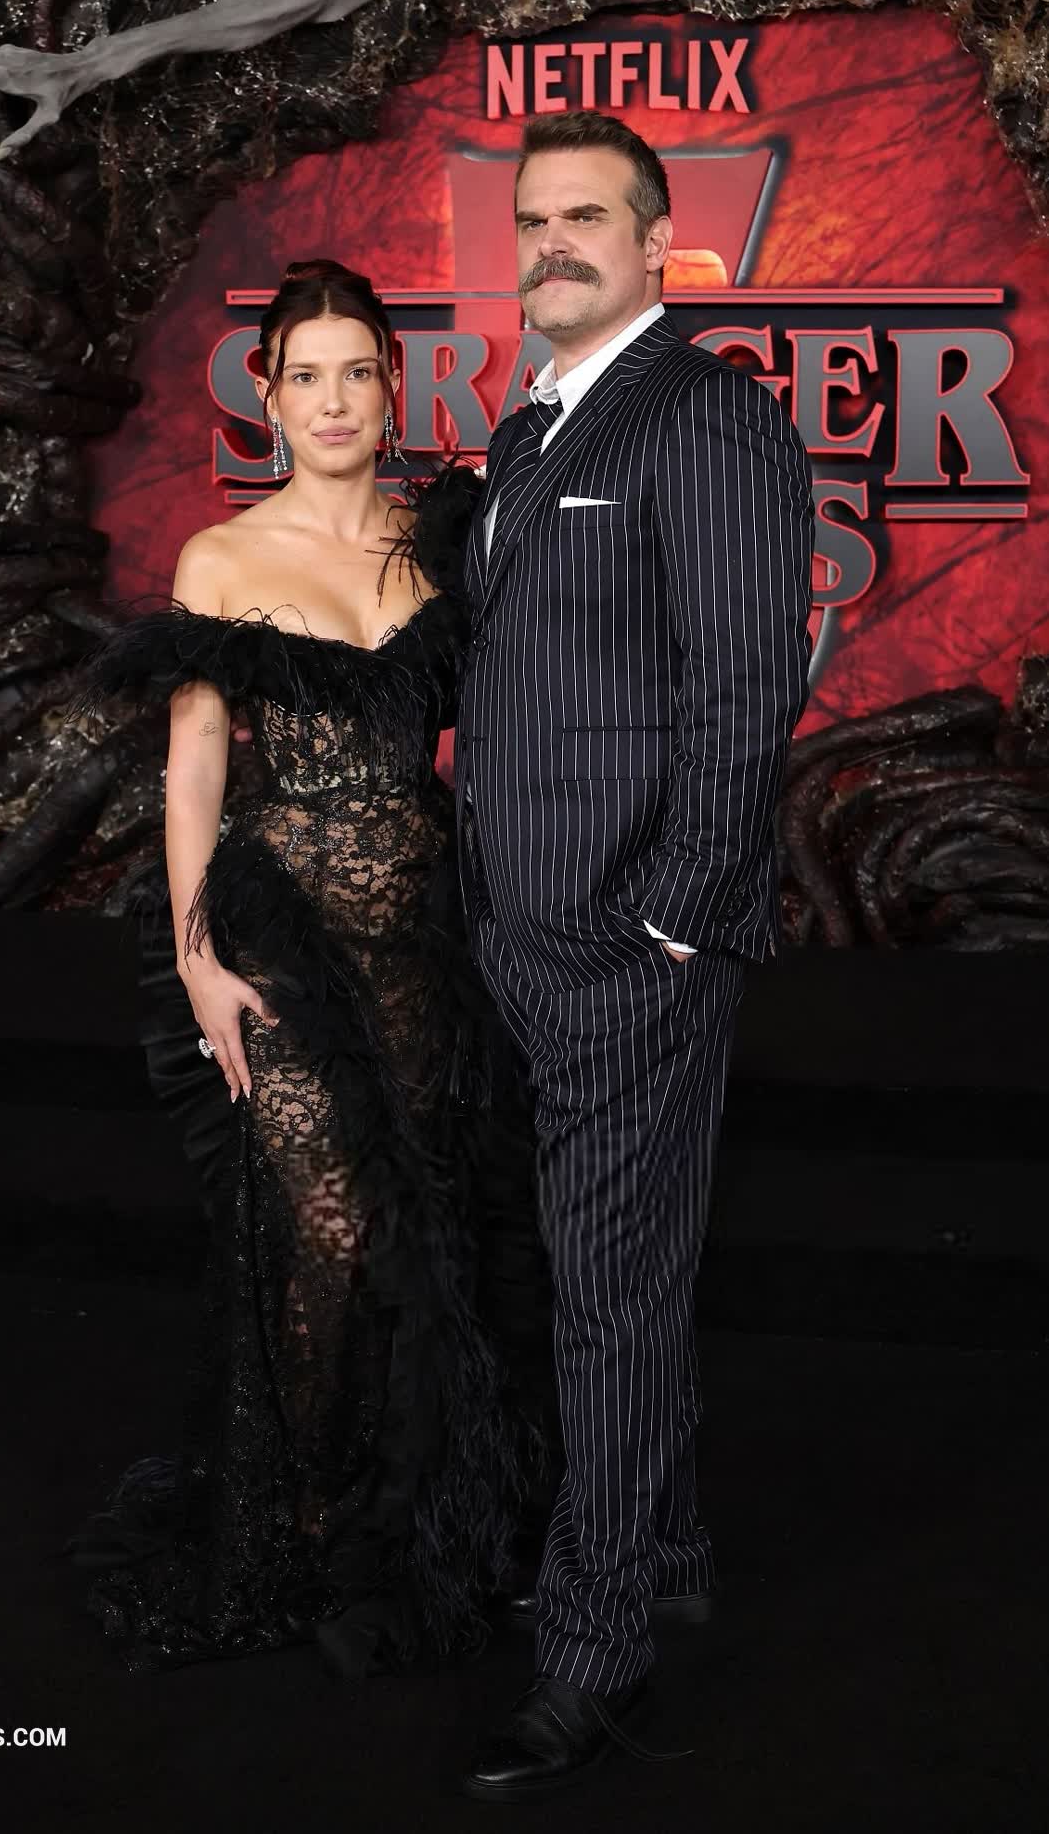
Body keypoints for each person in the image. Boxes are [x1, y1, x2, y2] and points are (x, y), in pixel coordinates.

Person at [70, 259, 546, 1678]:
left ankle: (403, 1522)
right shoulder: (224, 558)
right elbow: (195, 768)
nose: (332, 401)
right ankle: (302, 1519)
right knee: (326, 1227)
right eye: (304, 377)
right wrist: (196, 962)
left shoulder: (439, 543)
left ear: (391, 388)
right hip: (280, 933)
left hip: (427, 935)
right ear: (267, 398)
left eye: (356, 373)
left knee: (432, 1225)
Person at [456, 112, 815, 1799]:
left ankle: (591, 1660)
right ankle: (657, 1554)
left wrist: (670, 915)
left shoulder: (706, 414)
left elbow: (746, 691)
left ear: (658, 237)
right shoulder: (527, 425)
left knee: (607, 1298)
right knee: (602, 1273)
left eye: (586, 216)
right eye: (533, 218)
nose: (552, 244)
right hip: (517, 925)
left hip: (626, 941)